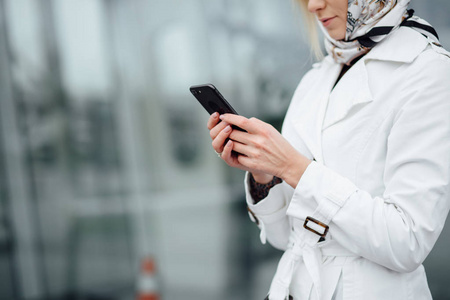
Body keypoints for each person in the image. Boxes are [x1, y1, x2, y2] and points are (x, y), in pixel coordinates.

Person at [207, 0, 450, 299]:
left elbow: (408, 242)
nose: (313, 6)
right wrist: (262, 173)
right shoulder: (317, 77)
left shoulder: (428, 71)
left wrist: (293, 168)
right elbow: (285, 237)